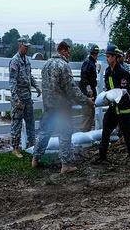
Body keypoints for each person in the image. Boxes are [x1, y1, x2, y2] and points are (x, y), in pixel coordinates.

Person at [32, 41, 95, 174]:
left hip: (49, 105)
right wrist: (86, 101)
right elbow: (71, 89)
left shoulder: (46, 64)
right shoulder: (63, 66)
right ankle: (65, 164)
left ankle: (36, 158)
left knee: (45, 131)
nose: (69, 55)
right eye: (68, 52)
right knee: (65, 133)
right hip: (62, 106)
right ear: (62, 51)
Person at [97, 43, 130, 166]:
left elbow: (125, 92)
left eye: (109, 56)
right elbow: (109, 88)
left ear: (115, 57)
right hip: (113, 107)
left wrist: (117, 99)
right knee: (106, 129)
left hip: (124, 108)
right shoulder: (108, 71)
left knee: (127, 134)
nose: (107, 59)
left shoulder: (123, 72)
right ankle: (102, 156)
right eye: (106, 56)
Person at [8, 35, 41, 158]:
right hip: (19, 98)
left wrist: (36, 86)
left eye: (28, 47)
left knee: (30, 122)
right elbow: (12, 81)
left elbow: (29, 76)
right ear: (20, 46)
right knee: (16, 122)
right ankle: (15, 148)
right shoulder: (15, 61)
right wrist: (15, 98)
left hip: (27, 97)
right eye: (25, 47)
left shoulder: (27, 60)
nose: (27, 49)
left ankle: (31, 144)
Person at [78, 44, 100, 132]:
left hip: (90, 92)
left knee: (91, 114)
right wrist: (88, 89)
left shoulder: (91, 63)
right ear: (96, 54)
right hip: (88, 93)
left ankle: (87, 133)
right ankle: (83, 132)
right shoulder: (88, 63)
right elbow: (84, 76)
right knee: (87, 114)